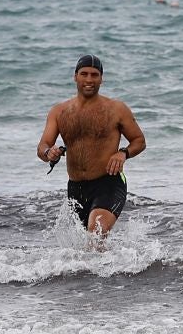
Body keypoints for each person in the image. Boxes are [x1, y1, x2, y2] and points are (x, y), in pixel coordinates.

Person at [37, 55, 146, 238]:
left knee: (96, 231)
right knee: (86, 246)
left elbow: (139, 141)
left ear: (101, 79)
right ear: (75, 76)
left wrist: (123, 154)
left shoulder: (116, 109)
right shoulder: (59, 112)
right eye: (84, 74)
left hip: (108, 182)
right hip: (75, 188)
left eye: (94, 75)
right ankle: (115, 266)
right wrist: (50, 152)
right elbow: (42, 146)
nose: (89, 79)